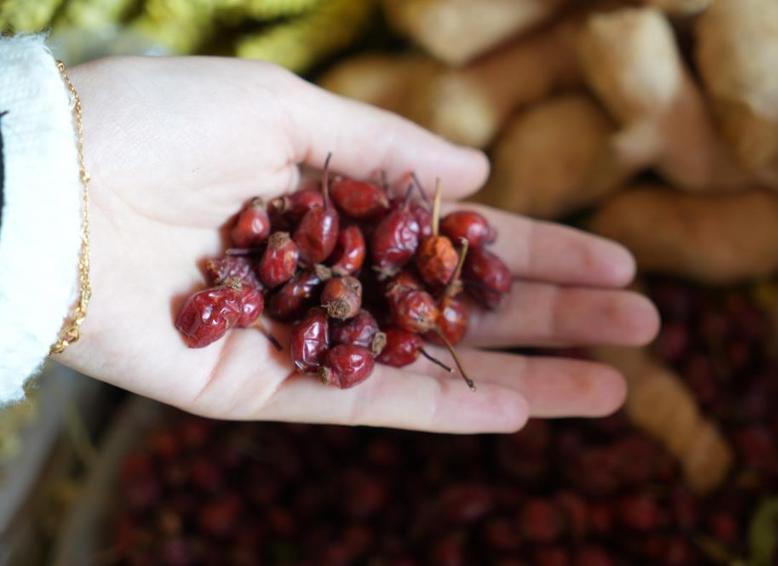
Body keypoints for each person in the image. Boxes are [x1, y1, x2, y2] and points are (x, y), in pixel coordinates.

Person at [0, 35, 659, 433]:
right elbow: (320, 277)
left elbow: (338, 281)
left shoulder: (347, 275)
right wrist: (75, 182)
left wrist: (64, 185)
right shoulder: (318, 269)